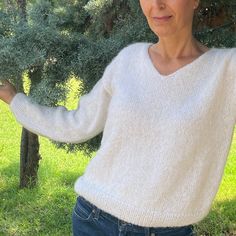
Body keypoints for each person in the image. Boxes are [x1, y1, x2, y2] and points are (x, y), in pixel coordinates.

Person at [0, 0, 235, 235]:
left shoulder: (226, 69)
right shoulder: (129, 60)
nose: (157, 5)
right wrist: (15, 99)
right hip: (94, 220)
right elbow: (78, 124)